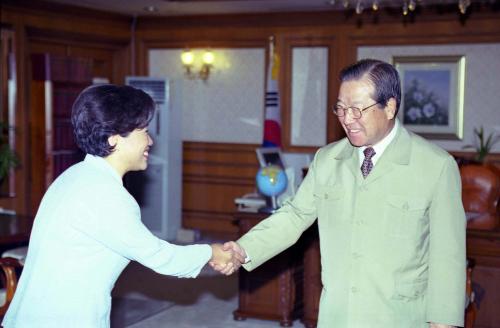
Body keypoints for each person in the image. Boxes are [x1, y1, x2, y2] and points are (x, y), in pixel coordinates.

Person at [216, 59, 466, 327]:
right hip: (337, 315)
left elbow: (447, 255)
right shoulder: (326, 160)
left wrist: (443, 322)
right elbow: (294, 215)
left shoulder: (436, 166)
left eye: (358, 109)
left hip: (399, 316)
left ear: (390, 107)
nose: (347, 119)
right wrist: (244, 249)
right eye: (341, 108)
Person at [2, 84, 241, 328]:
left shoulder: (74, 175)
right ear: (114, 138)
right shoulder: (106, 194)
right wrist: (212, 252)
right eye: (144, 131)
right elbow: (160, 257)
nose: (150, 141)